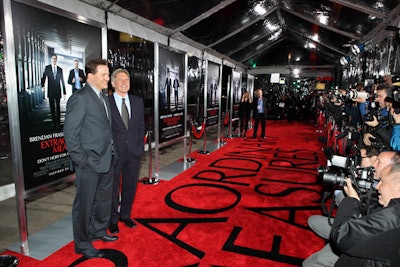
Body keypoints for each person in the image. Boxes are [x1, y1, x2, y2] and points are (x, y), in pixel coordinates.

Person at [63, 58, 117, 259]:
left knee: (103, 200)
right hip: (89, 163)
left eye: (107, 74)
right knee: (84, 205)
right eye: (103, 75)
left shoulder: (103, 97)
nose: (107, 78)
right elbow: (70, 133)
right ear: (90, 76)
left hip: (107, 159)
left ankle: (98, 231)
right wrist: (81, 160)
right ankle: (83, 244)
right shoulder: (80, 98)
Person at [302, 146, 380, 267]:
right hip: (354, 224)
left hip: (360, 238)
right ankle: (336, 242)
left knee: (309, 264)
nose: (357, 161)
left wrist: (351, 199)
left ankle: (338, 248)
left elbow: (362, 223)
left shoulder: (383, 193)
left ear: (374, 159)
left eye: (360, 158)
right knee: (312, 221)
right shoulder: (368, 179)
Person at [330, 162, 400, 266]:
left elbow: (341, 236)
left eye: (382, 181)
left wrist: (351, 200)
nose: (377, 186)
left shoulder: (392, 217)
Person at [107, 69, 145, 234]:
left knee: (130, 186)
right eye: (120, 79)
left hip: (133, 153)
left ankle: (125, 216)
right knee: (113, 188)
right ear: (113, 83)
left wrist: (140, 147)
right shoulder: (106, 102)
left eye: (127, 79)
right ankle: (112, 220)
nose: (124, 82)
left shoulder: (137, 101)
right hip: (114, 153)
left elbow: (141, 126)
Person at [41, 54, 66, 130]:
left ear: (56, 60)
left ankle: (58, 123)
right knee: (52, 107)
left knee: (58, 107)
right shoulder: (47, 68)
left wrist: (64, 92)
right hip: (51, 90)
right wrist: (43, 86)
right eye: (53, 59)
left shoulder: (59, 69)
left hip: (58, 90)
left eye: (55, 59)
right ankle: (53, 123)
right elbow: (44, 77)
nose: (54, 60)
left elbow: (62, 80)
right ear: (51, 60)